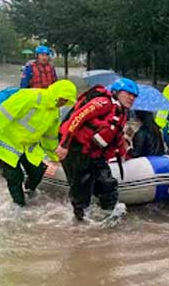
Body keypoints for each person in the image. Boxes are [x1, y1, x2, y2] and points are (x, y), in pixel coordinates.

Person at [0, 80, 77, 206]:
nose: (62, 103)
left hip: (27, 146)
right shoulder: (29, 97)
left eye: (66, 101)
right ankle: (19, 207)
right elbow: (2, 114)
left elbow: (50, 138)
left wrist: (55, 157)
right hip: (7, 143)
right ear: (56, 94)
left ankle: (29, 192)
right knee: (15, 177)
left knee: (38, 171)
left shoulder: (55, 112)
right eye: (62, 99)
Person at [55, 78, 138, 221]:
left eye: (134, 96)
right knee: (82, 190)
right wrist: (64, 145)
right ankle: (80, 223)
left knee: (108, 185)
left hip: (94, 154)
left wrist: (125, 154)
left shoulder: (122, 113)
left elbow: (116, 138)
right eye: (128, 94)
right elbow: (77, 118)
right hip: (77, 150)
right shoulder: (103, 102)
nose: (132, 98)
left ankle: (108, 217)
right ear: (117, 92)